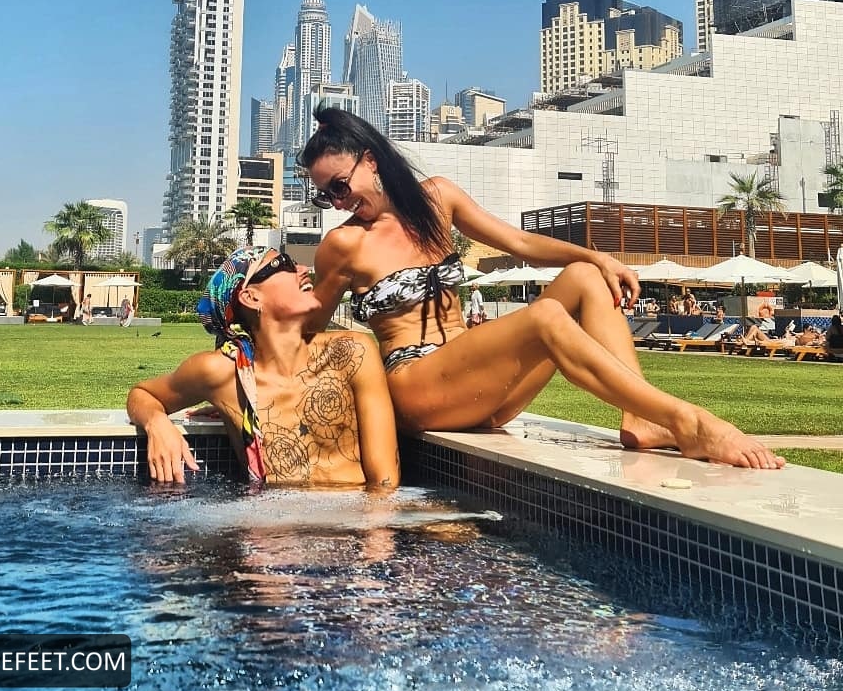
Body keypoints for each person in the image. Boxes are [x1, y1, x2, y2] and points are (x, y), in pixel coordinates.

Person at [299, 106, 784, 470]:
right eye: (325, 195)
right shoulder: (342, 245)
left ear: (370, 161)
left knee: (585, 278)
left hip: (479, 386)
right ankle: (688, 421)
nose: (337, 203)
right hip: (418, 389)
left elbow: (520, 242)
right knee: (546, 316)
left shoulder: (437, 198)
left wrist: (595, 257)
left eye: (339, 186)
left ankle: (639, 419)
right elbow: (309, 328)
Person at [126, 246, 400, 488]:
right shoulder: (223, 373)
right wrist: (156, 423)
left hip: (353, 520)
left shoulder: (351, 353)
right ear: (251, 297)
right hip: (272, 524)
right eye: (285, 264)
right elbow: (143, 394)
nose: (303, 270)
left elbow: (385, 482)